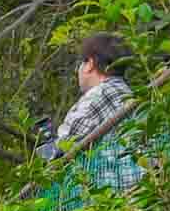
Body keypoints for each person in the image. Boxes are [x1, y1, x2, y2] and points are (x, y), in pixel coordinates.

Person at [50, 30, 140, 187]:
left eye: (81, 63)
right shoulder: (126, 92)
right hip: (141, 186)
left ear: (90, 64)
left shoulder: (98, 95)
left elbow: (61, 146)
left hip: (116, 192)